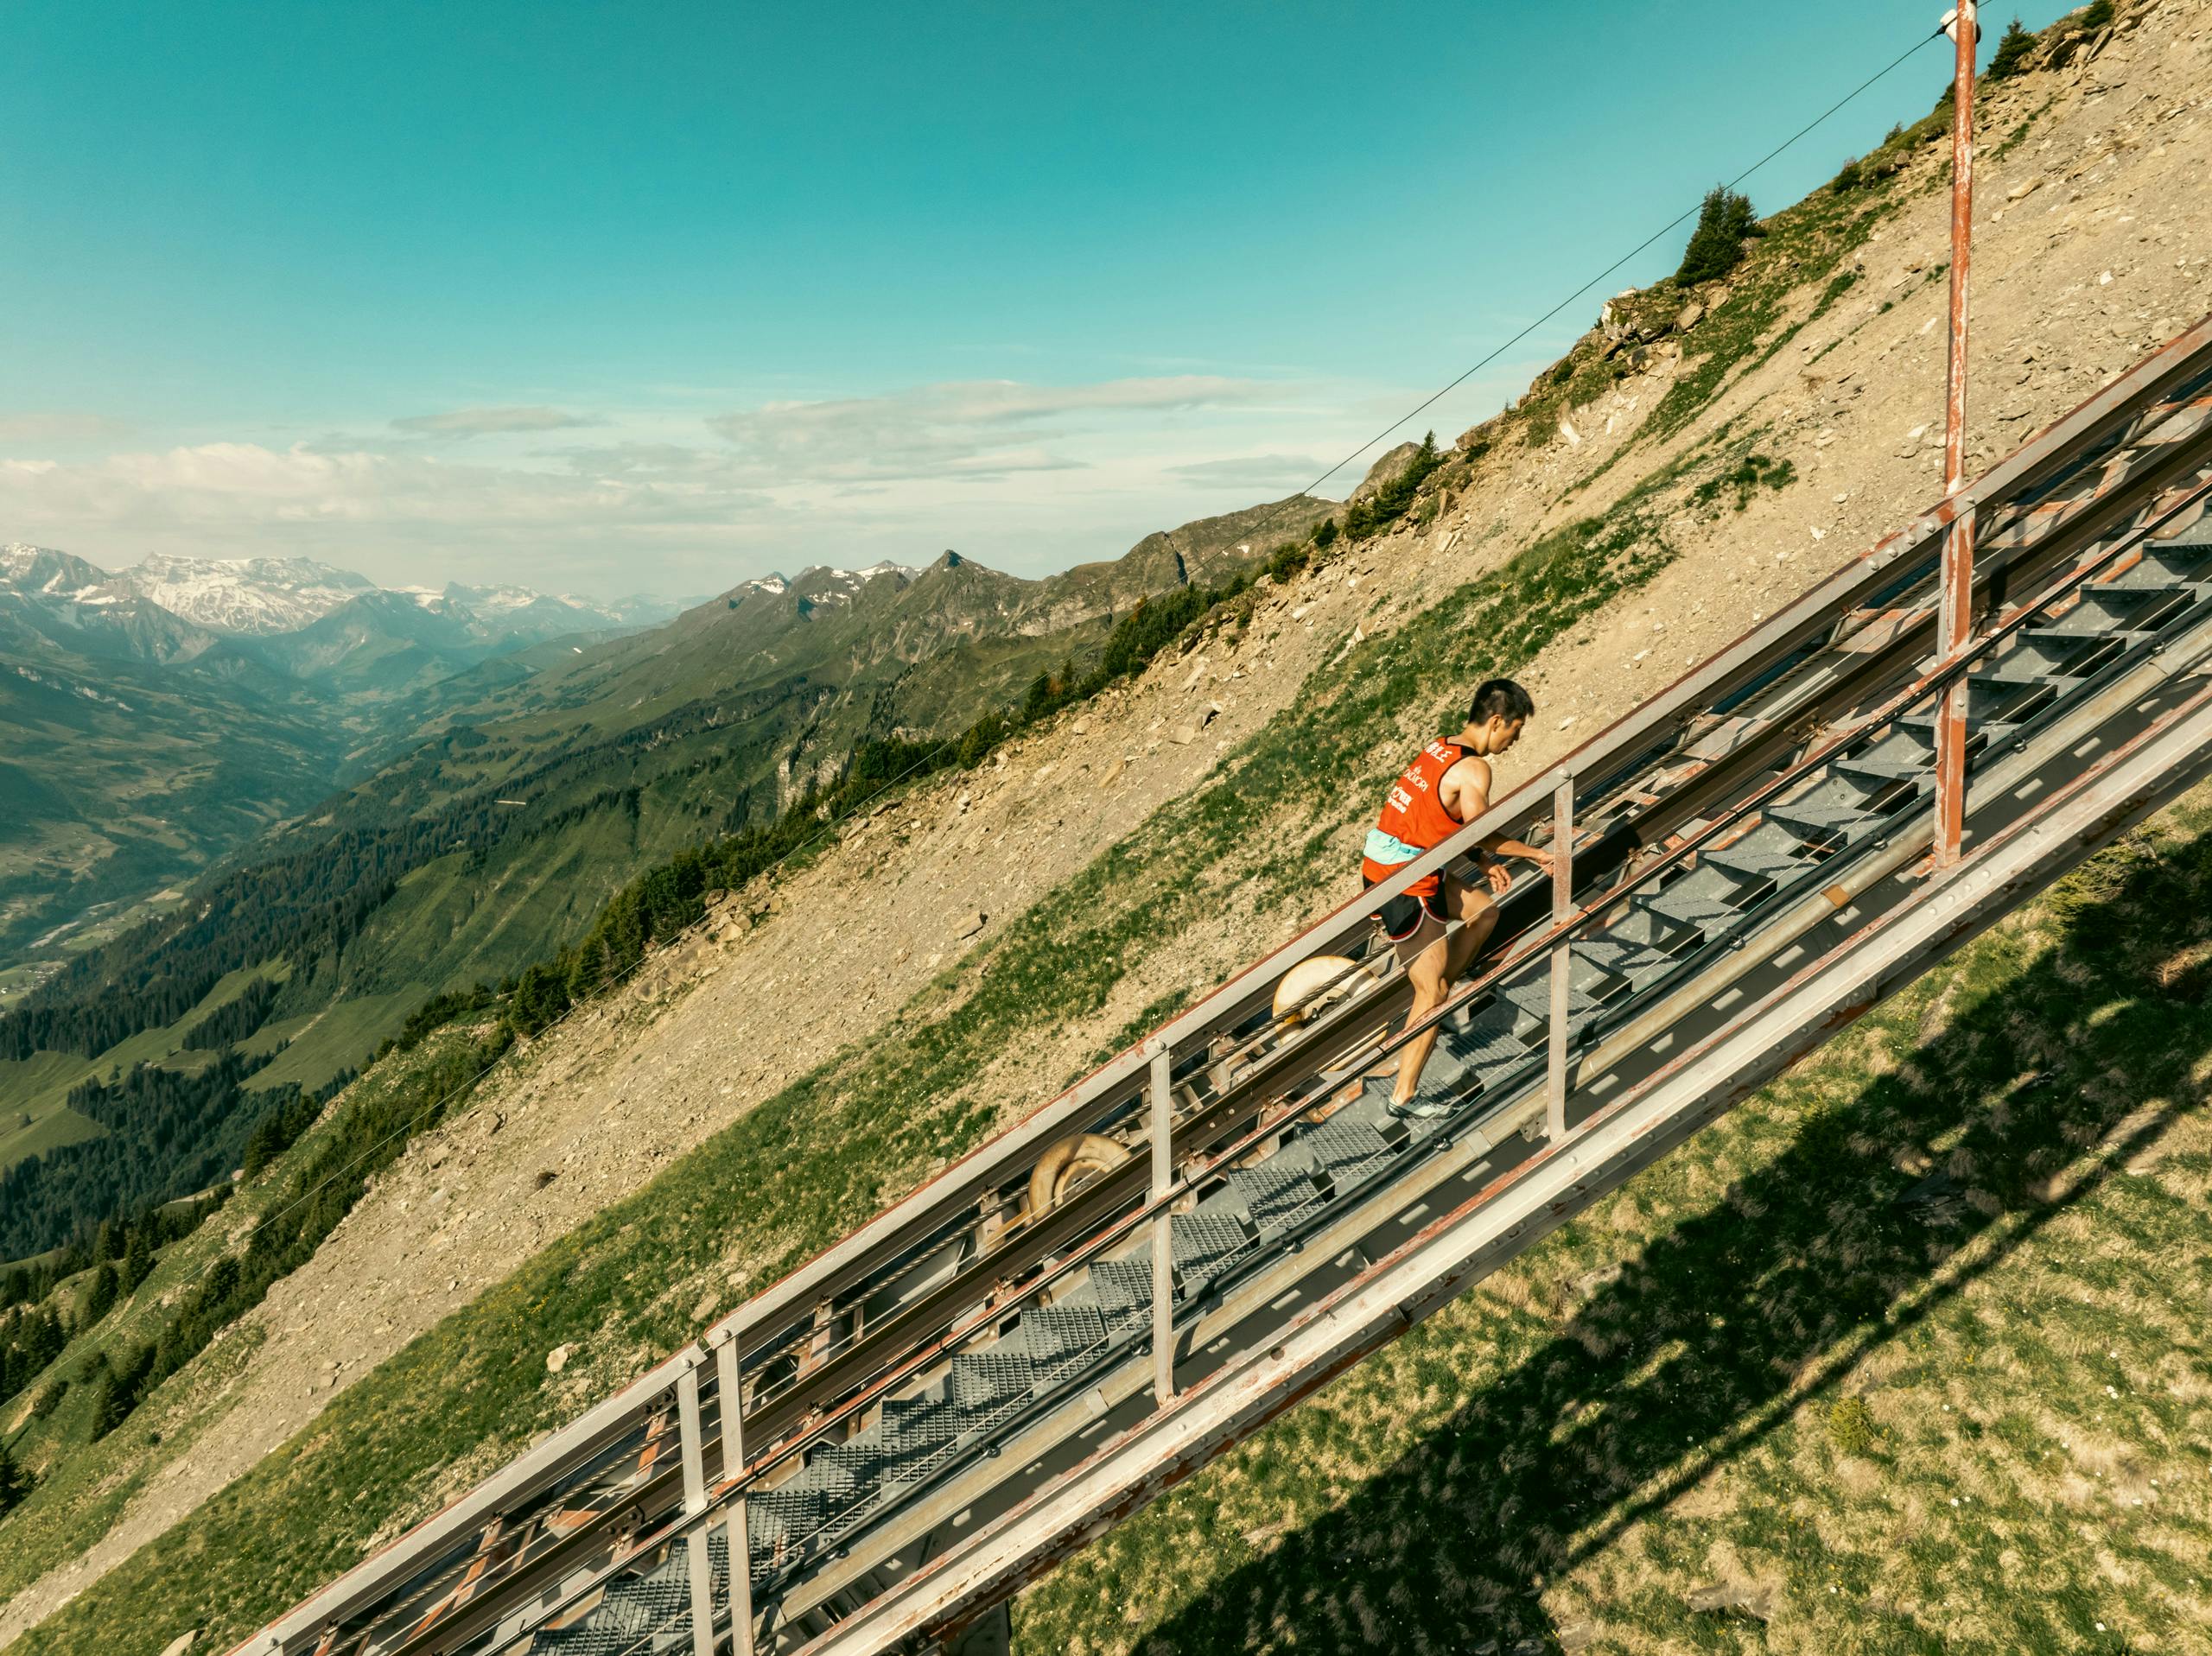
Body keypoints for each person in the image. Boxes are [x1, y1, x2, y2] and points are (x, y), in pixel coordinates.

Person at [1361, 678, 1550, 1118]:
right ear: (1498, 720)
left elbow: (1441, 820)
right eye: (1516, 730)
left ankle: (1443, 983)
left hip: (1394, 863)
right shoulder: (1475, 769)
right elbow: (1480, 826)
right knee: (1431, 993)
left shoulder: (1439, 747)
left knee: (1483, 912)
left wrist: (1482, 862)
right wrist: (1536, 853)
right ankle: (1403, 1097)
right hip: (1404, 882)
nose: (1515, 740)